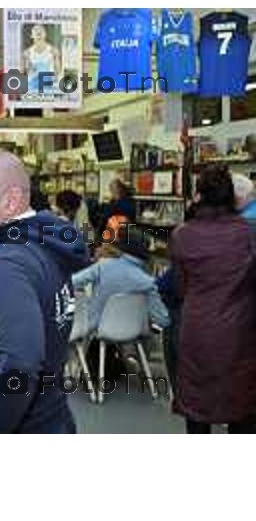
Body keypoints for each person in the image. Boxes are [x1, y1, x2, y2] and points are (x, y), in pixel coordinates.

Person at [0, 151, 89, 433]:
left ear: (10, 201)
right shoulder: (44, 244)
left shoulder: (4, 266)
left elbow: (19, 363)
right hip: (50, 418)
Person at [171, 164, 256, 433]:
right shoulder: (248, 232)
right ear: (231, 196)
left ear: (199, 196)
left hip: (196, 328)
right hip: (239, 330)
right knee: (241, 406)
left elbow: (180, 287)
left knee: (197, 408)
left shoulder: (182, 235)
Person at [72, 227, 170, 332]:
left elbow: (72, 282)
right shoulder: (148, 282)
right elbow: (163, 320)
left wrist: (83, 298)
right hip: (132, 331)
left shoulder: (102, 267)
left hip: (97, 327)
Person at [23, 24, 61, 93]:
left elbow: (58, 71)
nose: (39, 33)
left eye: (41, 32)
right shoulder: (27, 53)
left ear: (45, 34)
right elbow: (27, 71)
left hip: (48, 86)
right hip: (32, 86)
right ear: (32, 35)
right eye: (36, 32)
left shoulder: (53, 51)